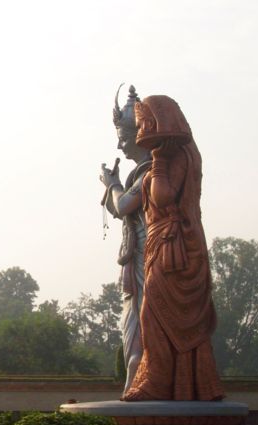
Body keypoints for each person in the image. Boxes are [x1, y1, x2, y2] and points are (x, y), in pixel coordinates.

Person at [122, 95, 224, 401]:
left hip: (175, 250)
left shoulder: (176, 156)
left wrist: (161, 162)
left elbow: (164, 197)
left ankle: (157, 381)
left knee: (152, 314)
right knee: (161, 316)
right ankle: (181, 385)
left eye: (142, 125)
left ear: (160, 121)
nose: (141, 132)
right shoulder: (183, 155)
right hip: (168, 245)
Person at [100, 85, 152, 397]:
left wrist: (113, 184)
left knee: (144, 319)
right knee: (132, 318)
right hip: (136, 260)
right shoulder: (138, 175)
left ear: (140, 135)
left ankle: (141, 378)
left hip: (151, 258)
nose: (120, 146)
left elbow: (123, 206)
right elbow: (120, 209)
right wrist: (112, 186)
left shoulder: (151, 173)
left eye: (124, 137)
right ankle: (133, 381)